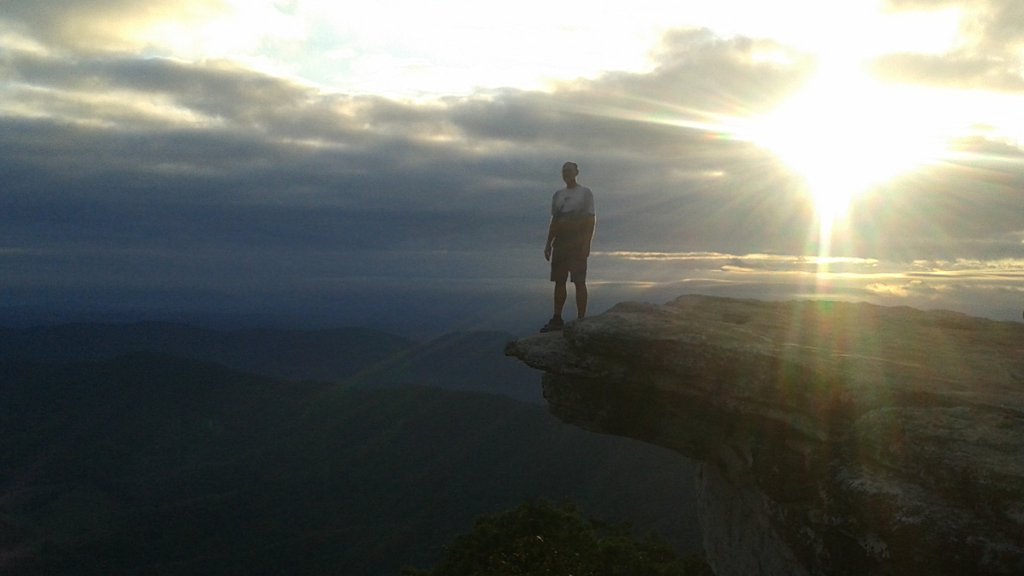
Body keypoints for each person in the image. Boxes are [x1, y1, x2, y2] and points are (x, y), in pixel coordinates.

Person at [541, 161, 596, 332]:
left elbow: (590, 219)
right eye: (564, 171)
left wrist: (587, 243)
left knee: (579, 281)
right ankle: (557, 318)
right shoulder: (557, 195)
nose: (566, 174)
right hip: (561, 242)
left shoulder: (585, 193)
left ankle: (581, 319)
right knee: (559, 281)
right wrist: (548, 243)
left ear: (576, 172)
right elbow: (555, 221)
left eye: (569, 171)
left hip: (577, 241)